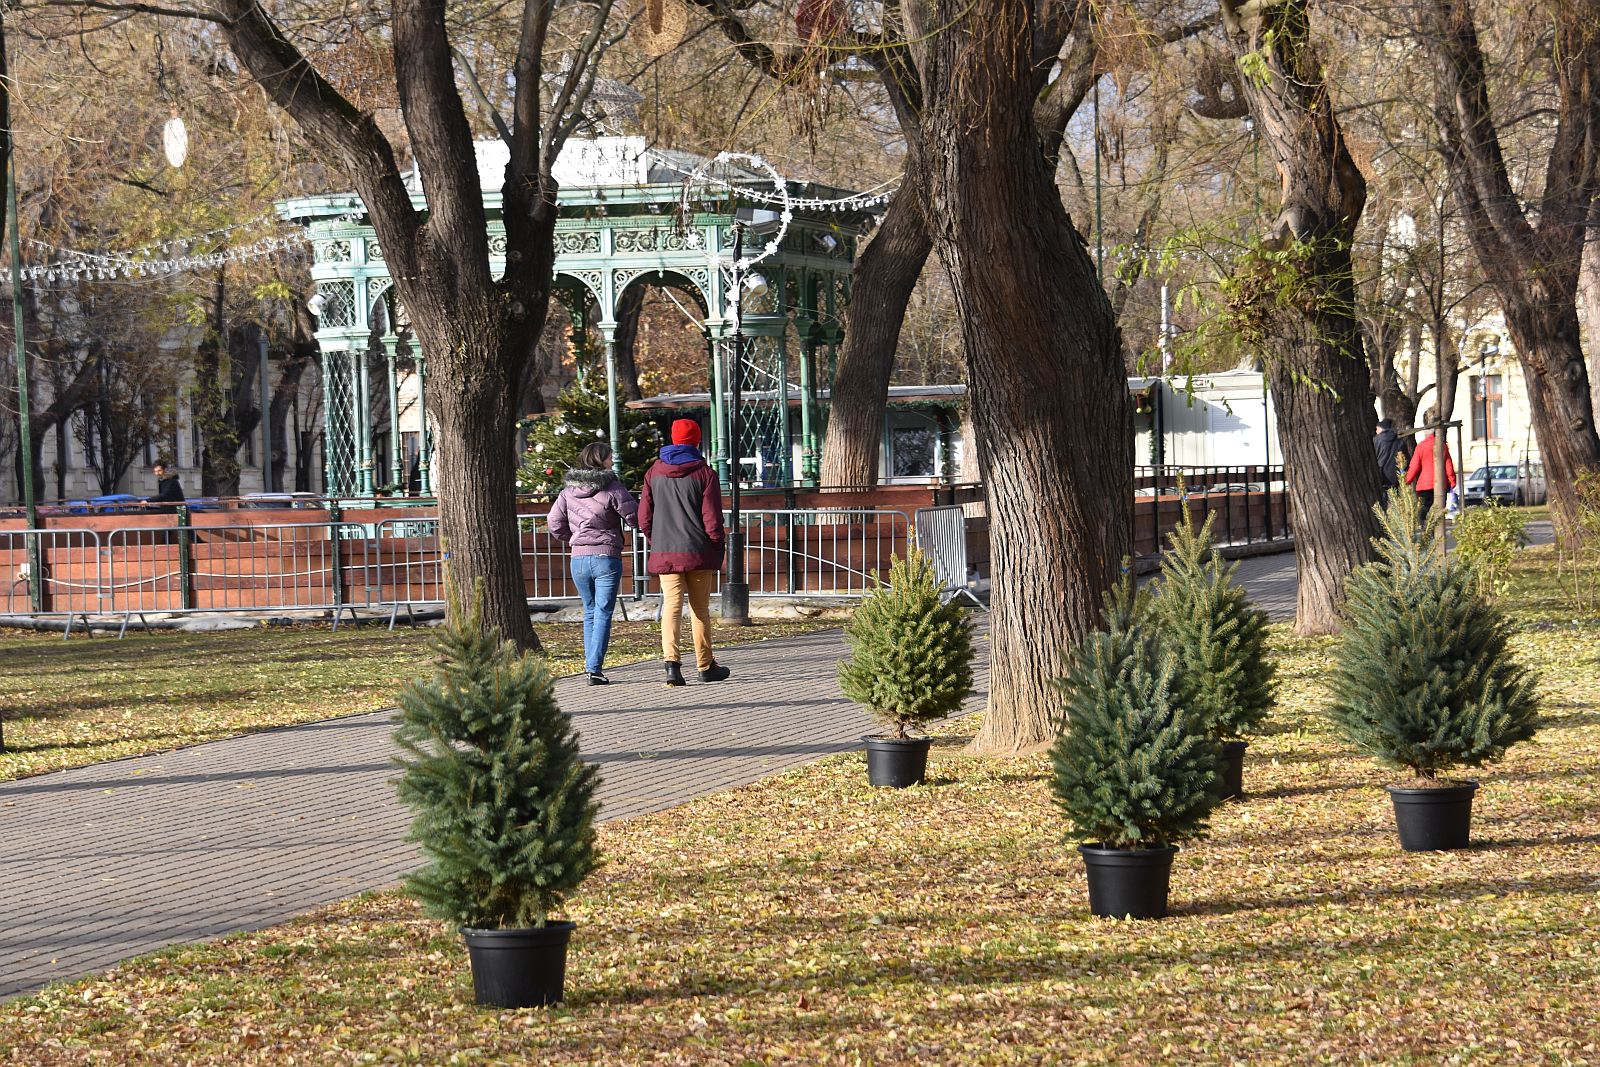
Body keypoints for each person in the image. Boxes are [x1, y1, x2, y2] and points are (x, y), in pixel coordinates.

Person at [639, 418, 729, 686]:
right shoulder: (705, 473)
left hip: (666, 551)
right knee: (700, 609)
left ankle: (672, 665)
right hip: (698, 551)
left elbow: (644, 516)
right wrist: (716, 543)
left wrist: (657, 538)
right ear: (697, 440)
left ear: (673, 439)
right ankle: (705, 665)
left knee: (672, 607)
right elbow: (711, 517)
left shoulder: (654, 472)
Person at [547, 442, 639, 686]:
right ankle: (594, 669)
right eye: (610, 457)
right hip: (605, 556)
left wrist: (575, 539)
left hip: (578, 558)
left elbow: (554, 522)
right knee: (602, 613)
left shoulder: (568, 491)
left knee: (589, 611)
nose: (612, 461)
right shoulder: (612, 487)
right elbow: (634, 516)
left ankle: (591, 666)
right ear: (601, 460)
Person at [1405, 426, 1456, 513]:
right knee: (1439, 511)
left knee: (1424, 511)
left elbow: (1414, 467)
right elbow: (1448, 466)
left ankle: (1424, 526)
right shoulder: (1442, 446)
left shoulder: (1420, 447)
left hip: (1424, 485)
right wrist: (1452, 482)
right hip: (1440, 484)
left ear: (1425, 434)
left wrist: (1406, 480)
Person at [1373, 418, 1405, 491]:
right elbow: (1404, 459)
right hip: (1395, 476)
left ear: (1382, 429)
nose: (1376, 431)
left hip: (1381, 475)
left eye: (1377, 429)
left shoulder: (1375, 440)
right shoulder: (1399, 441)